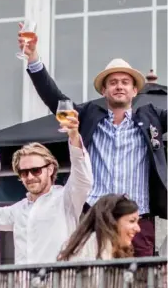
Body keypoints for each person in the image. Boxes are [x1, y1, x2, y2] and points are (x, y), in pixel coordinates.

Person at [20, 27, 167, 257]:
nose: (119, 86)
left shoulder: (151, 117)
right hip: (96, 217)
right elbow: (54, 99)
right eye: (113, 82)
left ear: (134, 90)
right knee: (96, 285)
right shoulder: (88, 116)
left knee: (141, 285)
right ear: (105, 90)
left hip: (138, 218)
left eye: (125, 82)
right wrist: (33, 59)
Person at [0, 113, 93, 265]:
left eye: (36, 170)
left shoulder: (66, 198)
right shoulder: (17, 210)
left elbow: (83, 177)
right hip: (24, 285)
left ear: (50, 169)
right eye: (23, 172)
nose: (29, 176)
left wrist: (74, 135)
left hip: (59, 283)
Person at [58, 194, 140, 261]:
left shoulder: (119, 251)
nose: (138, 229)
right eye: (132, 221)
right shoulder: (90, 246)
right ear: (111, 220)